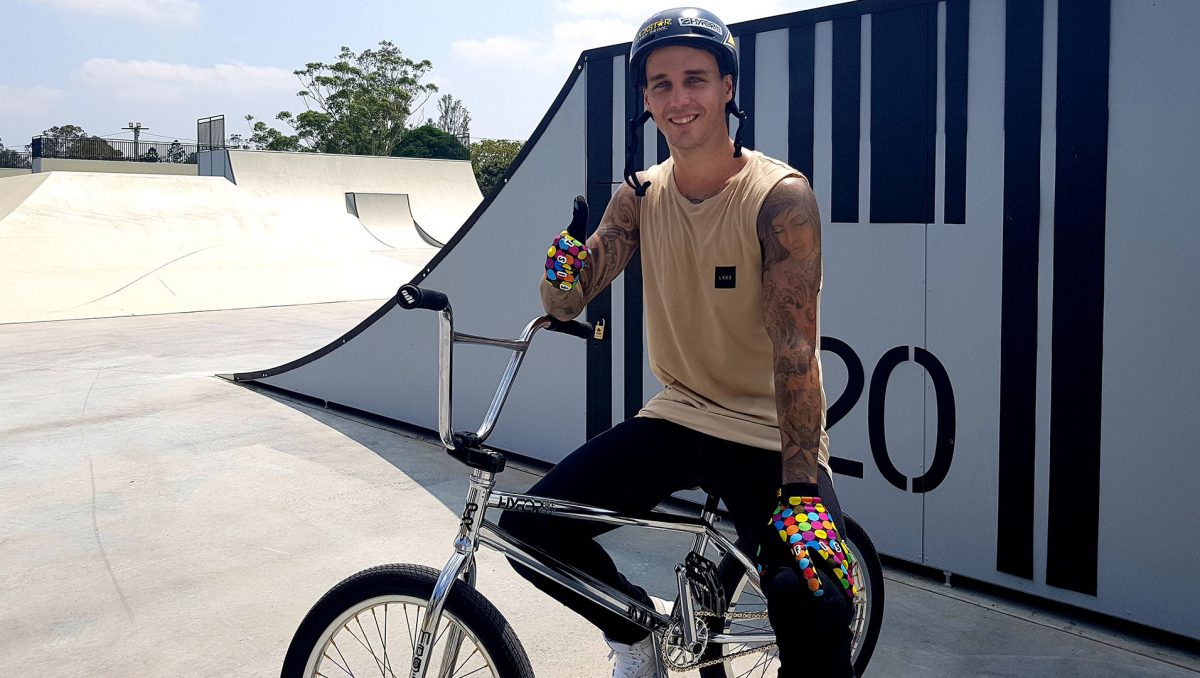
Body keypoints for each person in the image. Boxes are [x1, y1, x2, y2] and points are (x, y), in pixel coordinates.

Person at [500, 7, 858, 677]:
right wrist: (563, 255)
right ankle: (636, 634)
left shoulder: (779, 198)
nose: (678, 98)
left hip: (766, 431)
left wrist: (802, 488)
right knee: (529, 528)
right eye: (660, 84)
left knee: (812, 595)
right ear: (645, 99)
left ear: (727, 87)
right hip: (679, 415)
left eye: (695, 78)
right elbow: (565, 300)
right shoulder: (639, 196)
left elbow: (796, 355)